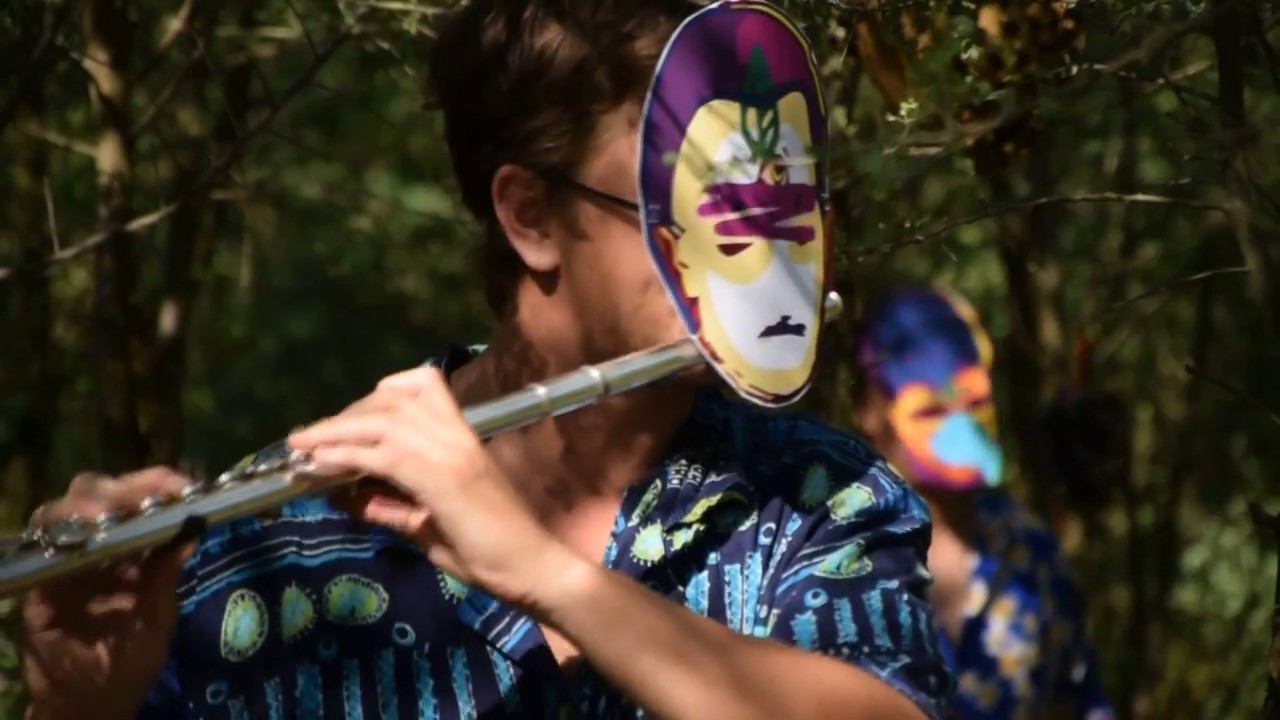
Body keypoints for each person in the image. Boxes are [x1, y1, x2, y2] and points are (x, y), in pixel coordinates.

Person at [21, 2, 953, 718]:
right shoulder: (275, 553)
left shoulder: (823, 498)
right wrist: (79, 707)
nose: (763, 262)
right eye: (705, 209)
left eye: (783, 208)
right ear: (531, 217)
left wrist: (541, 570)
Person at [850, 287, 1114, 720]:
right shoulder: (825, 553)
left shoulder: (1030, 552)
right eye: (930, 409)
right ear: (869, 409)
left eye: (974, 401)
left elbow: (1080, 700)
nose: (957, 422)